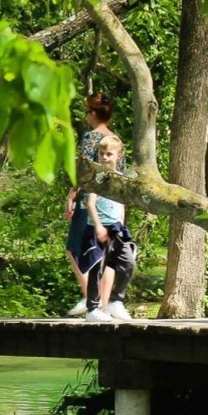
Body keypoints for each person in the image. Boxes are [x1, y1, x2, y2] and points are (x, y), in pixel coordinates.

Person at [64, 93, 115, 316]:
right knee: (107, 253)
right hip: (111, 203)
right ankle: (102, 304)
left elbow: (83, 170)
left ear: (93, 114)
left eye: (87, 112)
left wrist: (71, 196)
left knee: (74, 249)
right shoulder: (115, 140)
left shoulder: (91, 138)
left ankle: (89, 299)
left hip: (89, 203)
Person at [79, 134, 136, 322]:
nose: (104, 157)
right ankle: (92, 309)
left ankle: (115, 301)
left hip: (116, 227)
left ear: (118, 156)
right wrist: (98, 227)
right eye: (101, 153)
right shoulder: (98, 177)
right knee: (97, 266)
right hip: (97, 227)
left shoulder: (121, 178)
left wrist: (121, 223)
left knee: (127, 261)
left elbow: (121, 204)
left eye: (109, 154)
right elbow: (91, 203)